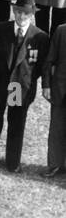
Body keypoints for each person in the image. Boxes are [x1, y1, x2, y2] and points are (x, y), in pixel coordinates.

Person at [0, 0, 48, 171]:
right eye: (18, 12)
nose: (21, 16)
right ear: (13, 11)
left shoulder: (39, 37)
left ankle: (12, 162)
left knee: (16, 123)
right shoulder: (0, 29)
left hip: (18, 87)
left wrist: (26, 81)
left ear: (32, 13)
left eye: (25, 13)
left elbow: (40, 66)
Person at [43, 23, 66, 177]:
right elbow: (50, 59)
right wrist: (46, 85)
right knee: (57, 128)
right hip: (60, 89)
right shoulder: (61, 31)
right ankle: (55, 164)